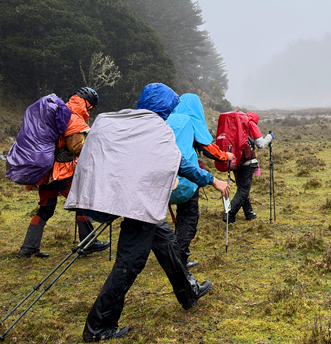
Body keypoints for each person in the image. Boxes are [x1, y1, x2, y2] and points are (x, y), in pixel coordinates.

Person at [75, 83, 231, 342]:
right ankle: (98, 327)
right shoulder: (156, 129)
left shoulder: (132, 123)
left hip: (134, 199)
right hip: (140, 206)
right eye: (169, 108)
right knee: (129, 264)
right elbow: (180, 163)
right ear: (164, 107)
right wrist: (212, 180)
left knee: (167, 242)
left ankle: (188, 293)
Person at [18, 87, 110, 259]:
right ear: (88, 104)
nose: (91, 111)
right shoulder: (73, 116)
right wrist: (94, 151)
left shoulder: (60, 111)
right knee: (82, 203)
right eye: (91, 107)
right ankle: (89, 243)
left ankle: (28, 248)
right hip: (62, 172)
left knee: (46, 209)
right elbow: (75, 147)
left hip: (46, 171)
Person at [167, 94, 232, 269]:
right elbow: (208, 149)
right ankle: (179, 259)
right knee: (188, 218)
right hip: (187, 179)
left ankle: (170, 252)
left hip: (163, 181)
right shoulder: (191, 121)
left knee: (160, 222)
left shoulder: (165, 119)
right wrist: (226, 156)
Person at [223, 112, 274, 224]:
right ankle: (229, 214)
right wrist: (270, 137)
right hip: (248, 163)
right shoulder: (250, 125)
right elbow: (261, 144)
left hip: (235, 161)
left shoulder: (236, 125)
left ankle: (249, 213)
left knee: (242, 188)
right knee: (243, 190)